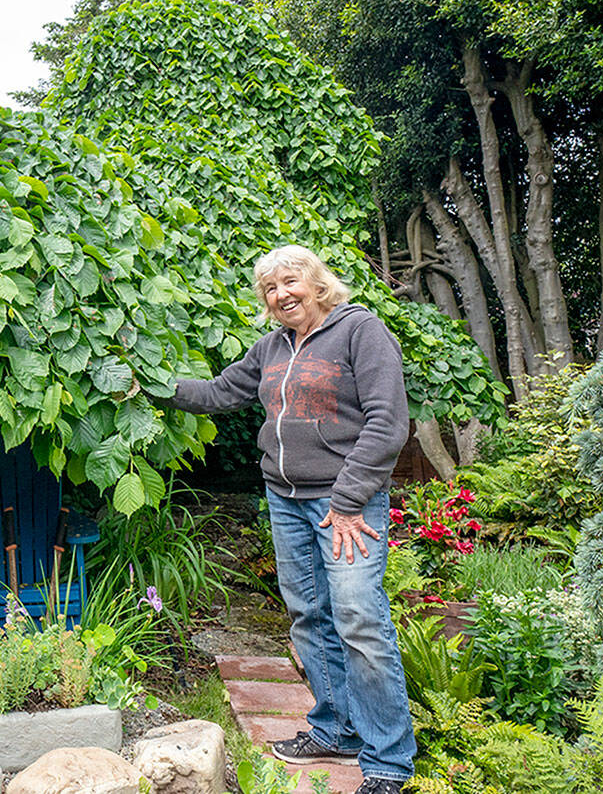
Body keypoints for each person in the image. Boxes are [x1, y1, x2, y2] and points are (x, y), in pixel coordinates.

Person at [163, 244, 415, 794]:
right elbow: (218, 393)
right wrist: (150, 386)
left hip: (345, 505)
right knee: (309, 616)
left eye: (289, 281)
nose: (281, 295)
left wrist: (348, 500)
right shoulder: (271, 347)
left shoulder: (361, 332)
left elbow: (388, 422)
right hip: (286, 498)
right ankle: (335, 730)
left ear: (317, 281)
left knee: (360, 621)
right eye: (270, 289)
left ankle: (388, 762)